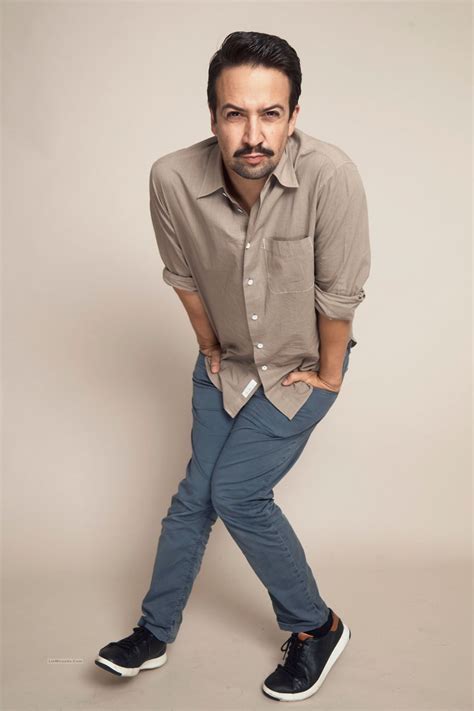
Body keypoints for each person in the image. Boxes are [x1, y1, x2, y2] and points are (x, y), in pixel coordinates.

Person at [95, 30, 370, 702]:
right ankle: (153, 630)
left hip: (302, 368)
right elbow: (184, 277)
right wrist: (210, 348)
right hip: (228, 364)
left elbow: (339, 295)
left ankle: (317, 626)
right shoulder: (172, 179)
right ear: (213, 115)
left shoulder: (330, 176)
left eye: (270, 114)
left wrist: (331, 375)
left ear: (294, 116)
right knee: (195, 496)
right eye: (235, 114)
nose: (253, 134)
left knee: (237, 494)